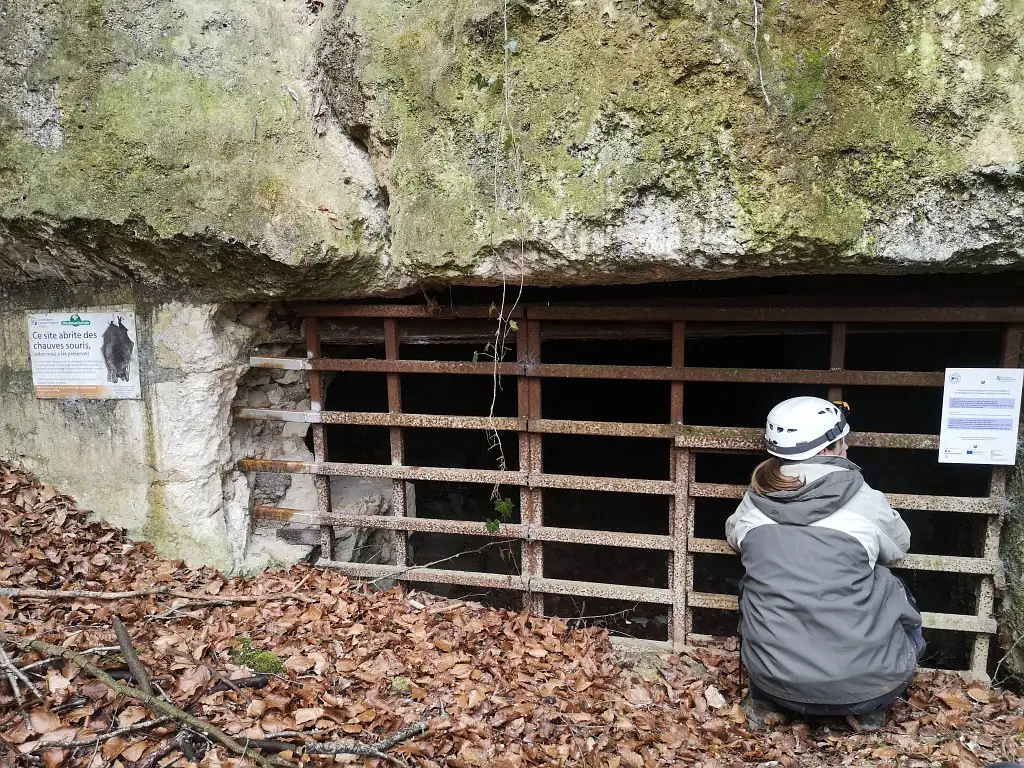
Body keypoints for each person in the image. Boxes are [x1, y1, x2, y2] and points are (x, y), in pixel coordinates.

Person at [725, 396, 926, 731]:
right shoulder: (864, 500)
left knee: (759, 586)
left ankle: (762, 701)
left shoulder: (754, 501)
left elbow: (736, 537)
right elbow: (898, 548)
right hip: (866, 691)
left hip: (775, 682)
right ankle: (868, 705)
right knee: (888, 581)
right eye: (843, 440)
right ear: (832, 446)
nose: (847, 447)